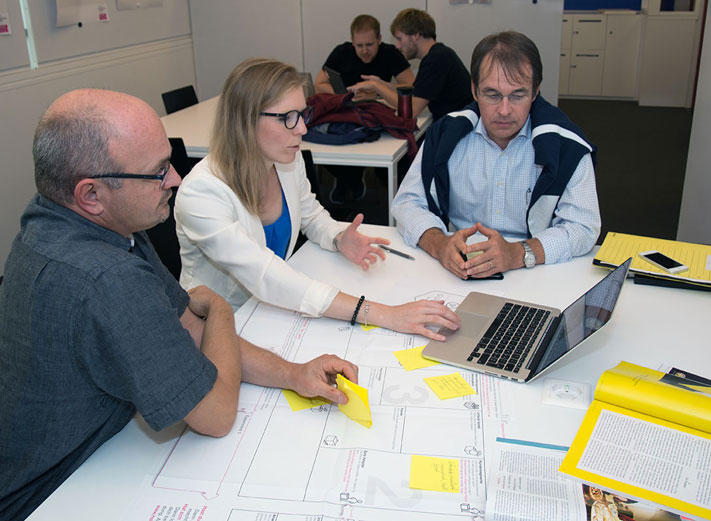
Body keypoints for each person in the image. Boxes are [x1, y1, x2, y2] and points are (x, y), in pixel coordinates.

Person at [0, 88, 359, 520]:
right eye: (157, 172)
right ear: (91, 194)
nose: (175, 180)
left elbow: (188, 327)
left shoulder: (75, 222)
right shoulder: (107, 277)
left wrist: (293, 373)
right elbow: (216, 412)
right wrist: (222, 312)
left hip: (98, 455)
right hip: (53, 495)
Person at [174, 58, 460, 341]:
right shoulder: (202, 192)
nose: (302, 129)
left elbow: (310, 213)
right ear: (246, 120)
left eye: (302, 114)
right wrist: (382, 314)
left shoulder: (286, 159)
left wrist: (338, 237)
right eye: (288, 118)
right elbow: (264, 275)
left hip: (270, 311)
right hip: (218, 327)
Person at [391, 31, 600, 280]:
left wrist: (518, 253)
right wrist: (439, 244)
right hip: (456, 269)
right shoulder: (445, 135)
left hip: (535, 271)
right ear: (474, 90)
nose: (504, 110)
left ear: (535, 92)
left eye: (517, 95)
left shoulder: (567, 146)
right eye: (492, 94)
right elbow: (406, 203)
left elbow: (583, 227)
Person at [314, 14, 415, 204]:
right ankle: (347, 178)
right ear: (352, 42)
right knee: (329, 142)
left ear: (379, 39)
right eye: (359, 46)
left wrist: (378, 91)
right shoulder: (341, 52)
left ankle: (353, 178)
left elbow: (410, 85)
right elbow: (319, 84)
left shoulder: (391, 53)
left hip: (376, 111)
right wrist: (346, 94)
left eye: (369, 45)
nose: (364, 51)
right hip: (347, 108)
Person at [349, 8, 473, 122]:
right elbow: (416, 91)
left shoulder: (435, 59)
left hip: (459, 133)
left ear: (415, 36)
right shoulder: (439, 54)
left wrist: (376, 86)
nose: (397, 45)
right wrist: (382, 83)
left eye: (399, 38)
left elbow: (410, 111)